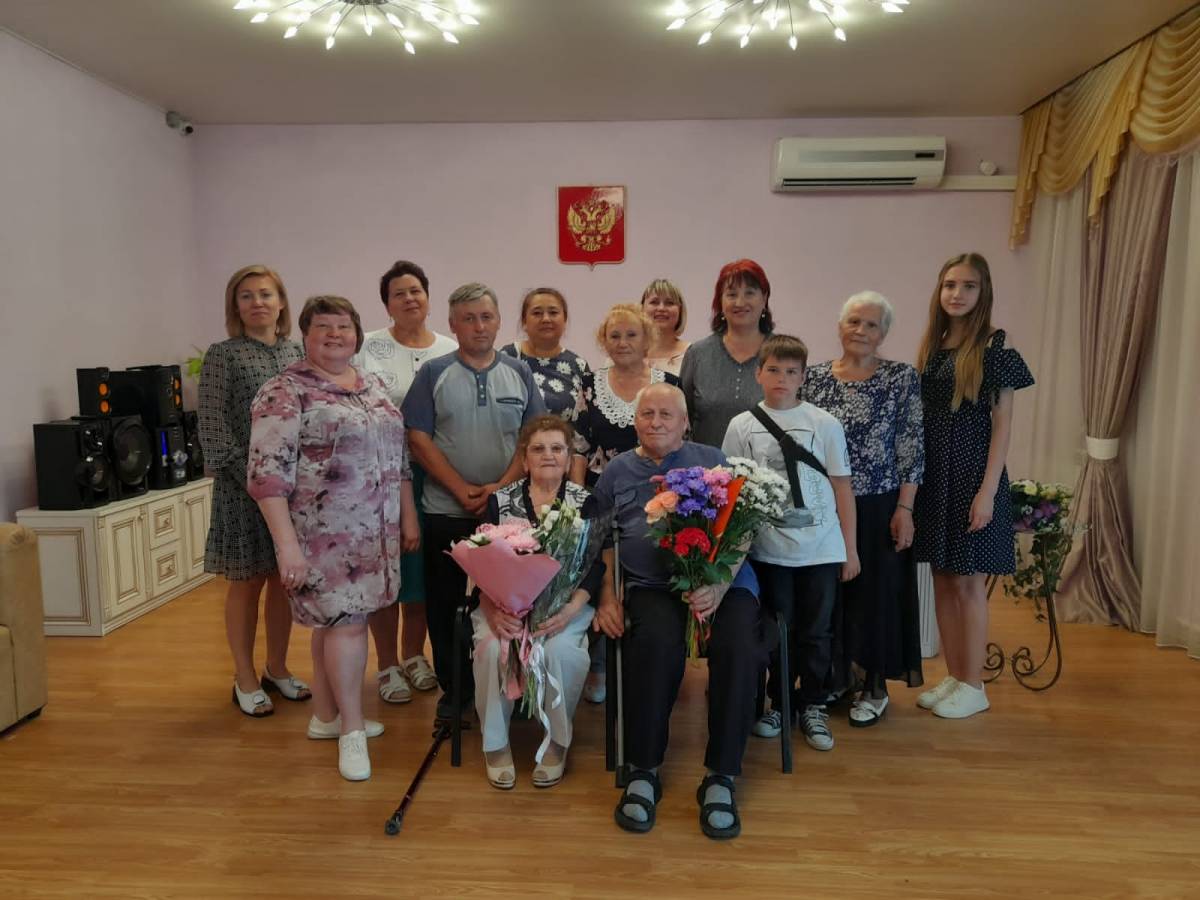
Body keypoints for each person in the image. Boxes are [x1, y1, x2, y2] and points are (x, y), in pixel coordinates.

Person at [248, 296, 419, 781]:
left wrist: (408, 517)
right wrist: (286, 546)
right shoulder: (285, 391)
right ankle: (353, 730)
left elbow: (399, 458)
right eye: (323, 327)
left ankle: (326, 717)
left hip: (377, 536)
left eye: (343, 326)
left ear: (357, 335)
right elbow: (266, 475)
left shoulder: (373, 386)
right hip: (324, 539)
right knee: (347, 627)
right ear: (304, 335)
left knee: (333, 624)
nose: (335, 335)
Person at [591, 382, 765, 841]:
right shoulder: (617, 471)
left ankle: (721, 776)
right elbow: (602, 541)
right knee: (654, 643)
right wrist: (607, 597)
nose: (656, 422)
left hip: (723, 583)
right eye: (647, 414)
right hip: (654, 586)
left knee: (740, 648)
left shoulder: (712, 460)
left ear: (685, 423)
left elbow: (744, 529)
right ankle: (643, 769)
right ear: (634, 422)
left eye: (666, 414)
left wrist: (718, 585)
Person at [402, 282, 546, 725]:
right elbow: (418, 437)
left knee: (510, 605)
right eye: (468, 319)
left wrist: (499, 489)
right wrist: (459, 487)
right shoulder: (433, 373)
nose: (479, 326)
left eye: (486, 317)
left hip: (509, 516)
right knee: (445, 605)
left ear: (498, 321)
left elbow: (534, 437)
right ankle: (456, 692)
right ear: (453, 325)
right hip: (446, 511)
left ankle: (511, 686)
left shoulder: (519, 373)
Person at [722, 335, 858, 753]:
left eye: (792, 371)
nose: (782, 378)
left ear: (803, 377)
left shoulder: (824, 423)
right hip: (769, 549)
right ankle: (779, 703)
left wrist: (850, 549)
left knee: (817, 631)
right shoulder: (742, 425)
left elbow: (842, 487)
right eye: (774, 370)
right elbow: (733, 488)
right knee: (777, 631)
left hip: (821, 547)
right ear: (759, 373)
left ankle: (813, 703)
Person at [912, 253, 1034, 719]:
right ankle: (954, 674)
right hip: (935, 478)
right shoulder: (934, 347)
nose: (957, 294)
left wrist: (987, 492)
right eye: (950, 285)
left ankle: (974, 684)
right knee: (942, 579)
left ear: (983, 293)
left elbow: (1002, 426)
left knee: (967, 581)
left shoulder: (996, 348)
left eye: (968, 286)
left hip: (972, 477)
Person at [806, 293, 925, 726]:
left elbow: (911, 445)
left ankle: (873, 687)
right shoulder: (814, 378)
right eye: (854, 321)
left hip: (879, 504)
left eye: (871, 324)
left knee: (876, 597)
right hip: (824, 504)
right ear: (840, 327)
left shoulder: (900, 378)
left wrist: (905, 508)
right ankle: (837, 678)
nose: (861, 331)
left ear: (884, 333)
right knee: (830, 596)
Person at [199, 264, 308, 718]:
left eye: (265, 294)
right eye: (246, 296)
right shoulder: (223, 355)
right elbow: (211, 427)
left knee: (285, 582)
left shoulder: (299, 352)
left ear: (281, 303)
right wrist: (254, 482)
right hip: (241, 491)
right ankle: (243, 677)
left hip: (292, 492)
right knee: (246, 583)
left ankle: (276, 668)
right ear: (235, 306)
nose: (257, 302)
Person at [472, 415, 603, 790]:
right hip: (503, 606)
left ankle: (557, 742)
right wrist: (495, 613)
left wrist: (571, 610)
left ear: (569, 458)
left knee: (561, 652)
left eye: (557, 448)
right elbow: (480, 563)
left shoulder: (587, 502)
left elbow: (594, 567)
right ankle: (496, 745)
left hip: (565, 607)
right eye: (538, 448)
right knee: (492, 648)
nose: (548, 455)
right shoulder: (500, 501)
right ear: (524, 459)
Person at [355, 260, 457, 706]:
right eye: (399, 293)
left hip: (433, 476)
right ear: (387, 304)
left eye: (416, 290)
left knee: (420, 574)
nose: (409, 299)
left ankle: (415, 655)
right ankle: (387, 664)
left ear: (428, 298)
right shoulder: (366, 347)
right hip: (378, 480)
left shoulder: (450, 349)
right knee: (385, 575)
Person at [572, 303, 679, 703]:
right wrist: (579, 501)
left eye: (631, 334)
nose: (622, 342)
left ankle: (652, 658)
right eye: (614, 335)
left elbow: (680, 441)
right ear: (604, 341)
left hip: (657, 496)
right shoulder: (589, 383)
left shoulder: (669, 383)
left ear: (647, 338)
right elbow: (579, 446)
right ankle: (599, 663)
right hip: (602, 493)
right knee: (600, 574)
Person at [680, 259, 776, 448]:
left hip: (769, 466)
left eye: (749, 293)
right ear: (720, 302)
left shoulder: (782, 354)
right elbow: (681, 419)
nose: (740, 302)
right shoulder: (698, 354)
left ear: (764, 299)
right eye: (732, 294)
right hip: (705, 465)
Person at [499, 287, 590, 424]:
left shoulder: (579, 365)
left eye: (553, 313)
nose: (546, 319)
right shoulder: (507, 358)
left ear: (565, 320)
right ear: (524, 321)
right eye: (537, 313)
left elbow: (586, 423)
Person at [641, 278, 690, 376]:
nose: (661, 308)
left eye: (669, 303)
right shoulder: (627, 354)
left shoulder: (693, 355)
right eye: (654, 302)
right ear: (642, 309)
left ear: (680, 311)